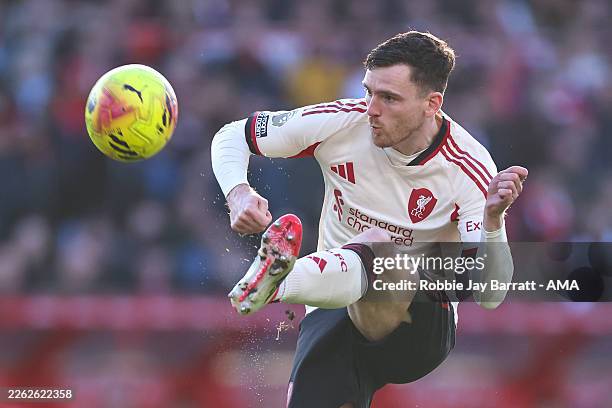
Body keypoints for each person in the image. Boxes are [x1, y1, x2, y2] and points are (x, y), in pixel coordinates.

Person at [211, 31, 527, 408]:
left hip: (419, 324)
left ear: (431, 104)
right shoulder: (343, 121)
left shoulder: (467, 167)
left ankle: (278, 282)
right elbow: (234, 136)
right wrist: (238, 192)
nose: (371, 109)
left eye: (389, 98)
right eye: (368, 92)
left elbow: (490, 295)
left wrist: (493, 222)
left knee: (378, 245)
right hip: (333, 307)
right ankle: (277, 281)